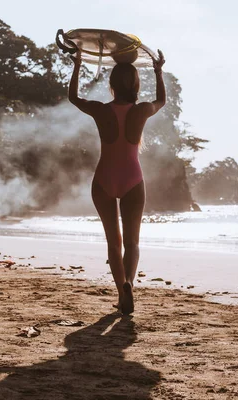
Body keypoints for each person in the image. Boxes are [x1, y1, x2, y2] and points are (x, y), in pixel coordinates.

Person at [69, 49, 166, 315]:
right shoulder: (143, 110)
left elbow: (73, 98)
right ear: (136, 85)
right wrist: (158, 71)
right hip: (133, 179)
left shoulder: (101, 110)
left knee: (114, 242)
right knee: (133, 243)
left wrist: (77, 65)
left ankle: (120, 287)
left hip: (103, 180)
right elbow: (162, 100)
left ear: (111, 86)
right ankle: (129, 285)